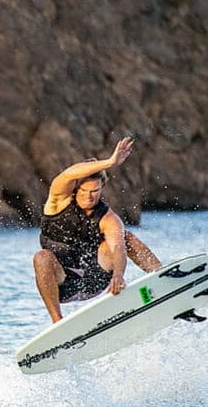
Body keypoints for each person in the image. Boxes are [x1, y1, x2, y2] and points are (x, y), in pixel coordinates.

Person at [33, 136, 161, 323]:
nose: (89, 196)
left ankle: (162, 277)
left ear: (102, 188)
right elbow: (68, 174)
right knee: (41, 257)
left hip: (95, 278)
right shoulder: (58, 202)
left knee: (124, 237)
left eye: (95, 191)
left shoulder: (108, 219)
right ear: (77, 188)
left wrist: (118, 275)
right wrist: (110, 162)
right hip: (63, 283)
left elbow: (117, 247)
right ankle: (57, 321)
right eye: (84, 191)